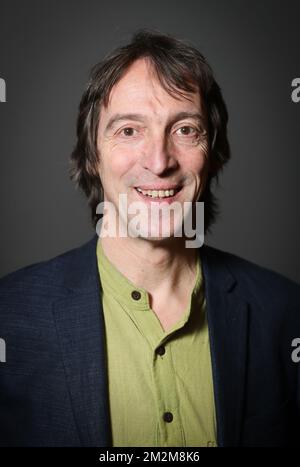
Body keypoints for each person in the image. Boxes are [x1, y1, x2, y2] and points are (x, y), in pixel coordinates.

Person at [0, 30, 299, 448]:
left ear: (211, 153)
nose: (159, 162)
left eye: (185, 129)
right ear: (92, 155)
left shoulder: (285, 313)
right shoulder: (8, 319)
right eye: (128, 131)